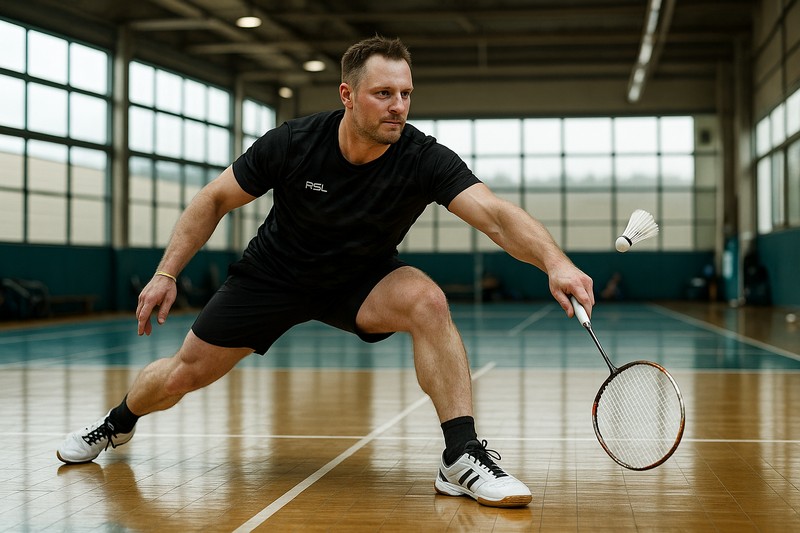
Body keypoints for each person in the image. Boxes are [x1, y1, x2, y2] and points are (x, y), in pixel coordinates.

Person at [57, 36, 594, 508]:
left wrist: (556, 262)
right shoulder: (293, 143)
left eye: (405, 94)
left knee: (427, 300)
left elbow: (496, 215)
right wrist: (166, 273)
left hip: (360, 280)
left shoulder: (423, 157)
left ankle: (461, 455)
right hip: (273, 276)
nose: (398, 107)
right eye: (384, 94)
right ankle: (117, 422)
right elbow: (214, 198)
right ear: (347, 95)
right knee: (181, 375)